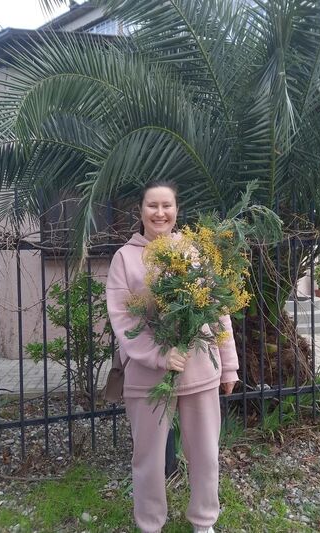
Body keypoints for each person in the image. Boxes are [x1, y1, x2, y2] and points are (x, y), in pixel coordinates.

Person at [106, 180, 238, 533]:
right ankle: (150, 524)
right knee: (148, 459)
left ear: (177, 210)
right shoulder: (124, 259)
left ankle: (204, 522)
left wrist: (229, 366)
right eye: (152, 205)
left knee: (205, 454)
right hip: (148, 378)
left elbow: (218, 310)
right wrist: (159, 355)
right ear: (140, 211)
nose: (160, 213)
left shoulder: (195, 252)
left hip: (199, 372)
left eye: (167, 205)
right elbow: (124, 320)